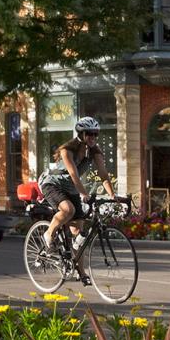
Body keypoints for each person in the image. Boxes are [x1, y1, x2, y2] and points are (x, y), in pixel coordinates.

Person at [39, 116, 117, 279]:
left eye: (95, 134)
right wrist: (83, 194)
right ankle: (49, 234)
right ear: (81, 134)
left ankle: (80, 273)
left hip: (71, 188)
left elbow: (103, 174)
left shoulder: (94, 151)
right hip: (52, 184)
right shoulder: (67, 150)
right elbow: (74, 175)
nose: (93, 137)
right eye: (89, 134)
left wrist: (112, 195)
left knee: (78, 235)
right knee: (68, 210)